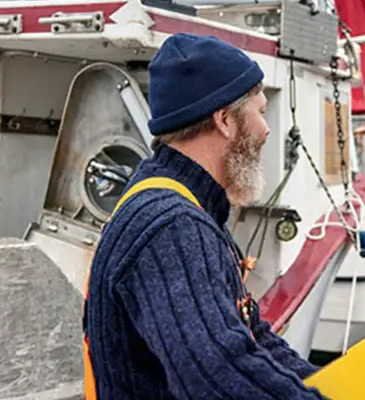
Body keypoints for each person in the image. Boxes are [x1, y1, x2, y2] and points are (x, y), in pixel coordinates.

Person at [82, 33, 326, 400]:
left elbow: (253, 340)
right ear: (225, 120)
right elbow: (216, 374)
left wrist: (337, 382)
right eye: (261, 112)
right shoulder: (171, 226)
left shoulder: (184, 209)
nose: (267, 128)